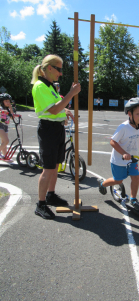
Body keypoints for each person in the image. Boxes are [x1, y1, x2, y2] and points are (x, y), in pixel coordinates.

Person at [31, 54, 81, 220]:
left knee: (56, 165)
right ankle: (40, 204)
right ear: (49, 68)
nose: (60, 73)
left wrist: (65, 110)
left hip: (57, 129)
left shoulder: (50, 86)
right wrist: (71, 94)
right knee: (48, 168)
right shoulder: (40, 86)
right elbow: (52, 110)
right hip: (48, 130)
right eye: (58, 69)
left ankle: (51, 195)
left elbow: (57, 106)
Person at [97, 97, 139, 211]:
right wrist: (124, 153)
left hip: (133, 159)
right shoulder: (123, 127)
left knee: (136, 177)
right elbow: (113, 141)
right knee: (118, 181)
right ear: (129, 114)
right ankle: (103, 184)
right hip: (119, 160)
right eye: (138, 114)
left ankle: (133, 199)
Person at [0, 93, 15, 160]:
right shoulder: (0, 108)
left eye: (9, 101)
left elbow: (12, 117)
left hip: (5, 126)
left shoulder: (9, 109)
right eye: (6, 101)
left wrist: (10, 107)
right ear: (2, 101)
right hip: (0, 125)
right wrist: (3, 111)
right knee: (6, 141)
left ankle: (5, 155)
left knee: (4, 142)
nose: (8, 102)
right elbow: (1, 111)